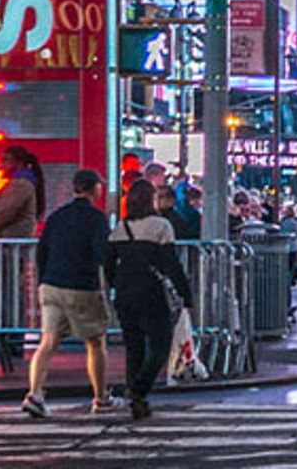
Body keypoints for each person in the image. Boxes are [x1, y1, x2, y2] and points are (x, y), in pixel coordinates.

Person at [23, 168, 114, 419]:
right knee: (95, 341)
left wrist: (43, 280)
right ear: (94, 189)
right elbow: (102, 253)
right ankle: (101, 397)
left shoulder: (57, 217)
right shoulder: (96, 219)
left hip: (51, 284)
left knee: (48, 342)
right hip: (81, 285)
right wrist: (109, 281)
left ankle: (35, 394)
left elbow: (42, 250)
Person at [106, 177, 193, 420]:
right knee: (160, 344)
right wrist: (186, 295)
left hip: (124, 293)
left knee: (134, 346)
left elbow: (108, 265)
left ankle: (136, 396)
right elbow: (171, 264)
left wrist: (115, 285)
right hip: (150, 291)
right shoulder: (161, 226)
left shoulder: (120, 229)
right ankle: (139, 388)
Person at [0, 145, 44, 239]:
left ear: (19, 162)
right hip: (10, 240)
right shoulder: (19, 183)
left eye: (6, 160)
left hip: (12, 241)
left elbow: (8, 211)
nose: (2, 164)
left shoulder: (21, 184)